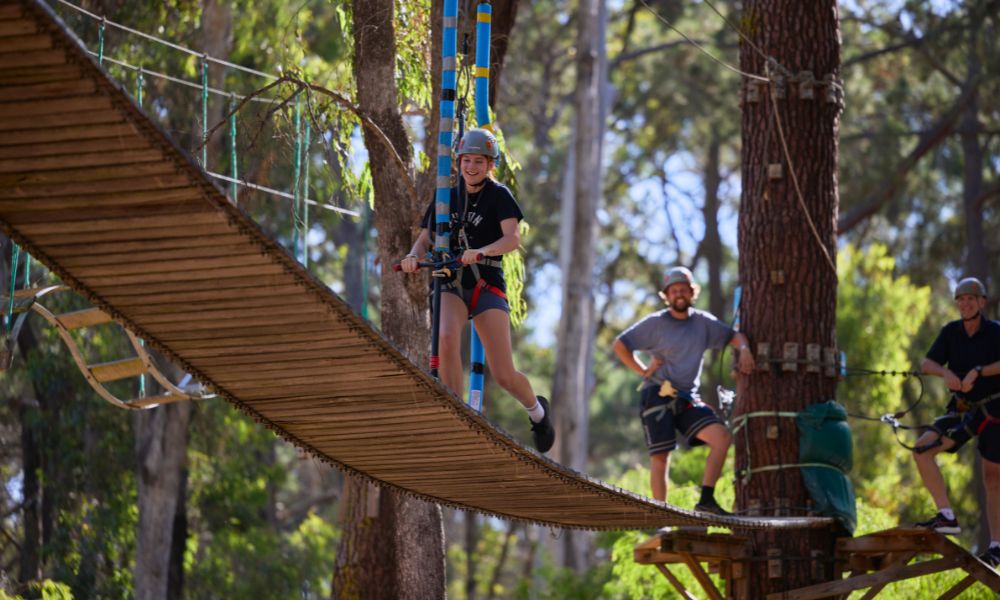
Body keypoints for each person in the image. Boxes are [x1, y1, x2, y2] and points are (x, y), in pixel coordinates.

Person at [400, 128, 555, 453]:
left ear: (490, 164)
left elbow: (512, 239)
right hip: (451, 282)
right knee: (444, 337)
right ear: (459, 162)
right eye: (467, 160)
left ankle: (537, 412)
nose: (472, 167)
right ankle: (457, 415)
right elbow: (427, 236)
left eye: (479, 162)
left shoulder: (499, 196)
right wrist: (414, 255)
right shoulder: (447, 195)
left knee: (503, 373)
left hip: (485, 283)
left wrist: (482, 251)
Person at [612, 266, 754, 515]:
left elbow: (735, 336)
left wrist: (744, 350)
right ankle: (662, 516)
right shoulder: (656, 323)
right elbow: (620, 344)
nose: (679, 294)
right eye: (674, 290)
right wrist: (644, 370)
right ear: (666, 295)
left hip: (687, 398)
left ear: (692, 293)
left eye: (684, 290)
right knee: (661, 457)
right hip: (658, 393)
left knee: (722, 438)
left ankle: (706, 501)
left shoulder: (702, 323)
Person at [912, 277, 1000, 568]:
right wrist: (945, 374)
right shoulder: (951, 332)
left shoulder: (995, 332)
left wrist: (979, 371)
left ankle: (997, 546)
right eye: (960, 300)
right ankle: (947, 516)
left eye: (970, 299)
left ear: (981, 302)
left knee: (993, 478)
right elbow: (927, 364)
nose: (965, 304)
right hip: (962, 410)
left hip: (994, 410)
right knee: (921, 451)